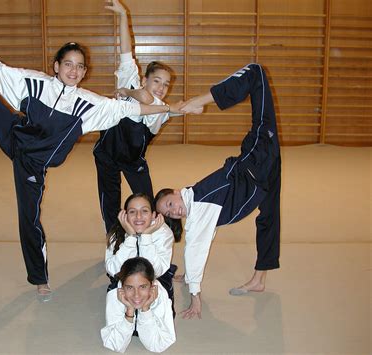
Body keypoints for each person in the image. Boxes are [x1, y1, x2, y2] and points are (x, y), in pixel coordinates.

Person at [0, 3, 185, 299]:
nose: (73, 70)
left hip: (32, 165)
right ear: (56, 66)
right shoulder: (32, 83)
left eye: (79, 66)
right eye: (68, 64)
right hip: (15, 135)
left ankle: (40, 277)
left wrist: (167, 108)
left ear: (85, 72)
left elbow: (131, 108)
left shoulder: (88, 104)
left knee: (28, 218)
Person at [155, 63, 281, 319]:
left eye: (169, 204)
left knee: (269, 218)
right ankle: (197, 101)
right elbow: (196, 246)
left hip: (257, 170)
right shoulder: (198, 207)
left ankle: (259, 278)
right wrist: (194, 293)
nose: (174, 211)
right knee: (255, 73)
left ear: (177, 192)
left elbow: (198, 241)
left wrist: (189, 279)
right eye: (171, 214)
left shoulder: (196, 202)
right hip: (256, 162)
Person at [94, 0, 176, 233]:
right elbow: (125, 49)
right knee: (110, 201)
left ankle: (149, 238)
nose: (161, 87)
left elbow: (146, 99)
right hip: (107, 154)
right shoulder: (129, 77)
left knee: (146, 201)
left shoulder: (159, 107)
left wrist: (127, 92)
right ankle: (114, 239)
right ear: (145, 79)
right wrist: (122, 16)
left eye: (166, 84)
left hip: (133, 160)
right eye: (157, 81)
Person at [105, 193, 179, 315]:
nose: (138, 216)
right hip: (126, 279)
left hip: (155, 277)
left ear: (153, 215)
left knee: (160, 318)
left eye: (144, 211)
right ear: (125, 215)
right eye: (132, 212)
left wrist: (146, 237)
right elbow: (113, 270)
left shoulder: (164, 233)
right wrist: (130, 239)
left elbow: (156, 271)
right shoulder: (116, 233)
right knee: (123, 319)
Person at [100, 257, 176, 353]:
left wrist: (146, 309)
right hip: (125, 301)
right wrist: (129, 312)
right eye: (129, 287)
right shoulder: (115, 295)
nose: (136, 295)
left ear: (152, 285)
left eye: (143, 287)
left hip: (159, 287)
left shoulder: (161, 296)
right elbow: (115, 344)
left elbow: (158, 345)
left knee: (166, 278)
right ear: (122, 287)